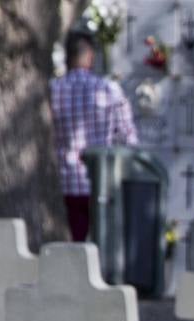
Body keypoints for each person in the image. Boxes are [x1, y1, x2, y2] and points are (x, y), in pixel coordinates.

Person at [50, 31, 138, 242]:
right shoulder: (109, 90)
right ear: (90, 56)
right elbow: (128, 138)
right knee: (100, 250)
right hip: (101, 182)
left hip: (63, 183)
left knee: (70, 246)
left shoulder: (53, 89)